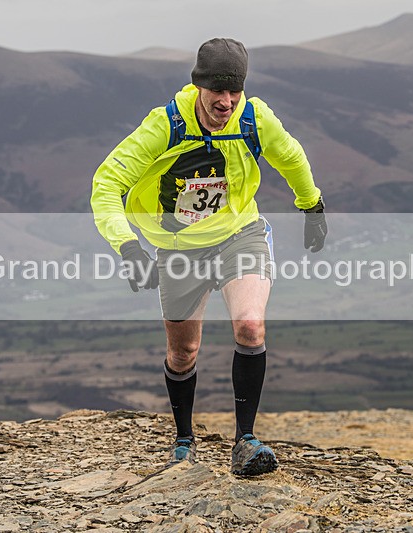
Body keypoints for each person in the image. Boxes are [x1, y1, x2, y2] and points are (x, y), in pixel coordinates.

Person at [91, 38, 327, 476]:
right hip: (179, 248)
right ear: (198, 85)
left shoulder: (253, 117)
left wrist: (311, 205)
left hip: (240, 234)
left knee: (250, 327)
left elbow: (290, 156)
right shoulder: (164, 126)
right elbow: (107, 184)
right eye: (217, 91)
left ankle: (246, 441)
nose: (226, 101)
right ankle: (184, 438)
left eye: (233, 91)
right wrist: (127, 245)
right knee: (184, 353)